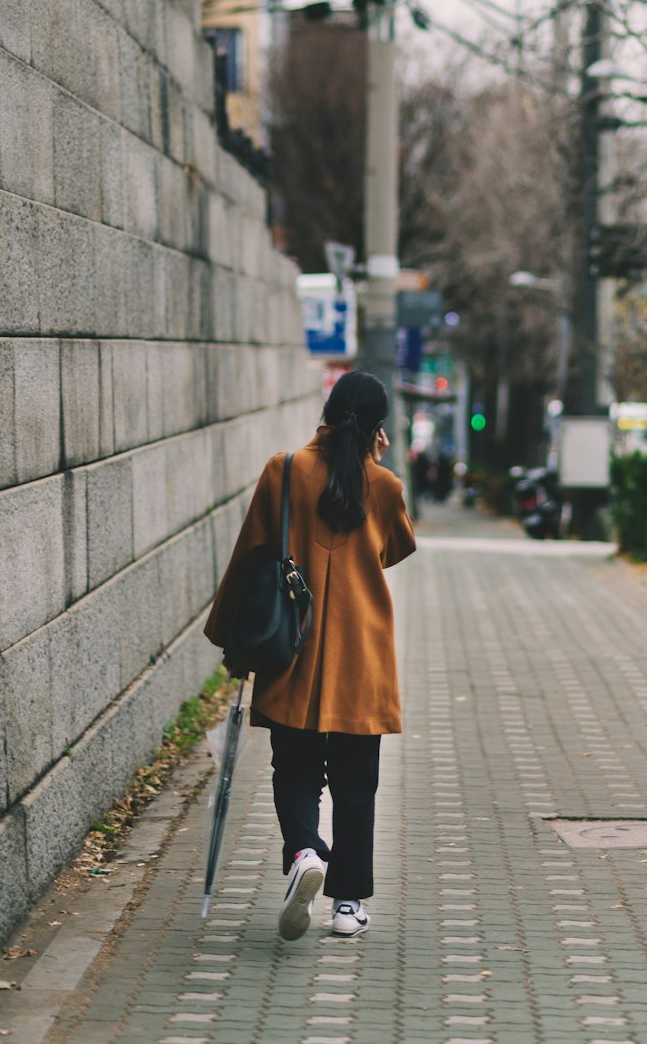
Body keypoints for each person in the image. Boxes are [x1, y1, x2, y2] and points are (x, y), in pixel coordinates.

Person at [204, 369, 416, 941]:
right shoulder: (387, 487)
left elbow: (250, 554)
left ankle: (304, 853)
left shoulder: (285, 471)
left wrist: (230, 638)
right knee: (356, 782)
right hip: (360, 655)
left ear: (327, 411)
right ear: (377, 429)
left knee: (294, 770)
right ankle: (347, 905)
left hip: (289, 648)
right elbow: (394, 550)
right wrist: (371, 465)